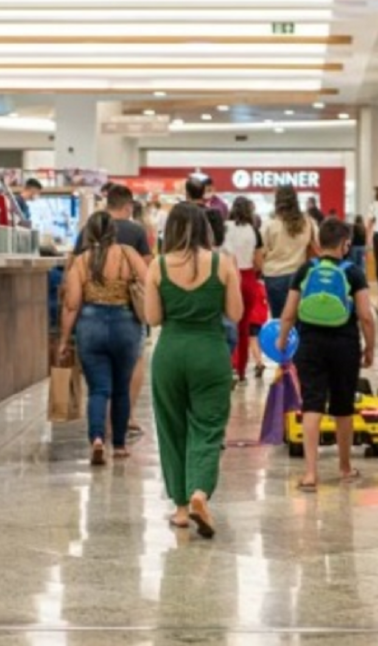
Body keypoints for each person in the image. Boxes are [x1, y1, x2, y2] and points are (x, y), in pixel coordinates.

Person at [146, 203, 244, 539]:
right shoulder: (223, 264)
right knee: (208, 426)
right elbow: (235, 313)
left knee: (171, 428)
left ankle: (181, 509)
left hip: (170, 352)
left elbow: (153, 318)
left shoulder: (157, 266)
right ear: (206, 229)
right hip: (209, 352)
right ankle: (200, 491)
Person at [277, 218, 376, 491]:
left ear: (319, 243)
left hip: (310, 344)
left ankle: (310, 474)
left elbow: (289, 312)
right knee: (343, 407)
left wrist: (283, 341)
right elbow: (366, 316)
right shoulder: (353, 272)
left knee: (312, 404)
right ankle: (344, 468)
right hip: (344, 344)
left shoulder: (305, 269)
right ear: (345, 244)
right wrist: (370, 348)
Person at [58, 212, 149, 466]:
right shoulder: (128, 254)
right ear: (113, 231)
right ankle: (119, 445)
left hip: (90, 325)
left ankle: (97, 439)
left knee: (98, 389)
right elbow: (151, 282)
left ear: (89, 233)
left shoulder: (82, 261)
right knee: (121, 388)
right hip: (126, 325)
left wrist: (64, 339)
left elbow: (72, 304)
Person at [222, 196, 264, 384]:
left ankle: (227, 365)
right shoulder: (254, 231)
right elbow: (259, 261)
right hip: (248, 278)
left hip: (226, 276)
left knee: (225, 322)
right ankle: (240, 370)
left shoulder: (223, 228)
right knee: (244, 325)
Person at [262, 186, 317, 319]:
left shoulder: (269, 225)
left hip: (274, 275)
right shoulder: (308, 222)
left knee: (279, 320)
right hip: (300, 274)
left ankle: (282, 340)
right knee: (300, 318)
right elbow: (316, 245)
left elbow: (262, 252)